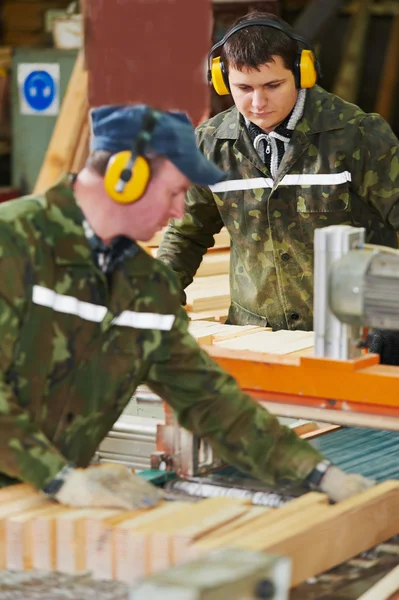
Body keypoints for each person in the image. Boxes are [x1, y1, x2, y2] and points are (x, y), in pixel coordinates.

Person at [0, 103, 371, 510]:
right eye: (174, 192)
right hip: (41, 485)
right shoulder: (15, 242)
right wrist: (58, 477)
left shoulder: (143, 288)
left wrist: (317, 473)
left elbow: (210, 399)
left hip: (33, 503)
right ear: (127, 177)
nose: (179, 210)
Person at [157, 11, 399, 364]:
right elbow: (185, 235)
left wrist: (391, 319)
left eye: (273, 86)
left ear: (302, 74)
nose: (258, 103)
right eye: (244, 88)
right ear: (223, 82)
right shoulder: (210, 147)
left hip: (357, 339)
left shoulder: (357, 136)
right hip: (257, 341)